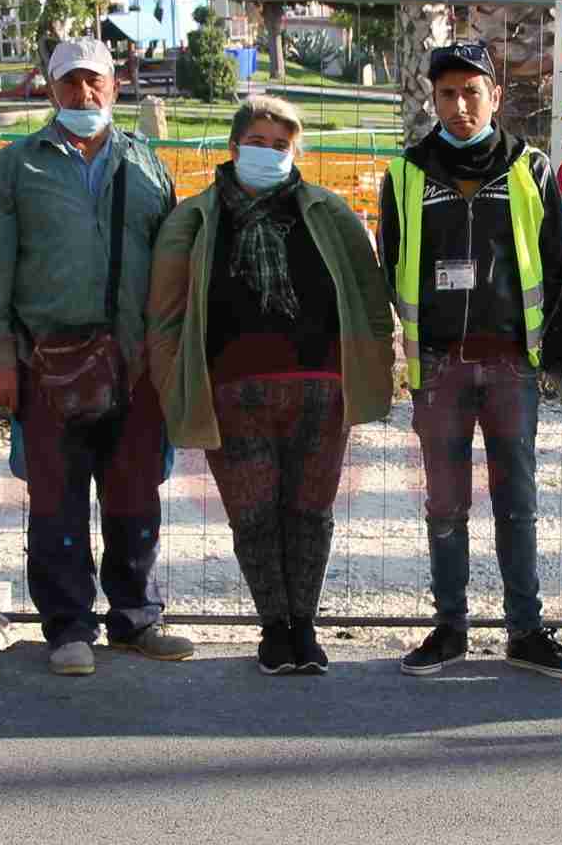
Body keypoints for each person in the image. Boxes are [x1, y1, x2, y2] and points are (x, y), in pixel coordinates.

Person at [146, 95, 394, 675]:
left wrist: (376, 366)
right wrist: (170, 385)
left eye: (280, 145)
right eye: (257, 143)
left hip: (320, 390)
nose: (268, 154)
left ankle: (304, 624)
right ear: (233, 148)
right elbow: (164, 316)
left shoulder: (329, 213)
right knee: (252, 515)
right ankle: (272, 626)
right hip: (232, 393)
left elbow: (369, 296)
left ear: (295, 152)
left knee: (311, 510)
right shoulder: (195, 217)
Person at [0, 36, 192, 677]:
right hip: (49, 362)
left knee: (134, 495)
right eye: (70, 83)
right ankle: (67, 626)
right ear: (50, 89)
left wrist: (168, 354)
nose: (83, 94)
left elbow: (172, 263)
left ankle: (135, 618)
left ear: (115, 87)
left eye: (95, 82)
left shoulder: (148, 165)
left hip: (136, 362)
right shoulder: (15, 168)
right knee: (56, 498)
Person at [380, 39, 562, 679]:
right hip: (437, 366)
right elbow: (391, 266)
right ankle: (450, 628)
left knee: (517, 500)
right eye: (447, 94)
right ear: (432, 99)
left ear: (495, 96)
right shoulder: (405, 173)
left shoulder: (532, 169)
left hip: (512, 365)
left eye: (472, 92)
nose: (460, 105)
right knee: (445, 505)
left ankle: (526, 629)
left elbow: (554, 265)